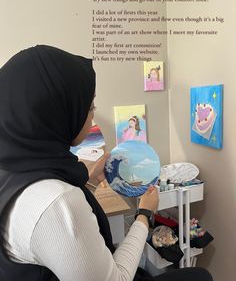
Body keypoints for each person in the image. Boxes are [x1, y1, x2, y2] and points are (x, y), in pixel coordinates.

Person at [0, 45, 213, 281]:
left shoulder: (14, 168)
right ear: (59, 115)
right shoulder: (56, 202)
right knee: (200, 276)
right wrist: (144, 214)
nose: (92, 115)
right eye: (89, 107)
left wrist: (88, 180)